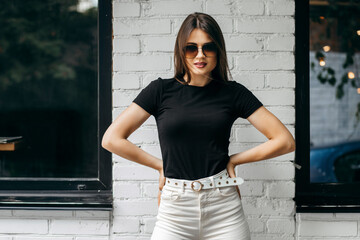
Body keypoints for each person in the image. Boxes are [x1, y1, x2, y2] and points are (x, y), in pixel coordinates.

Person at [102, 12, 296, 240]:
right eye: (191, 48)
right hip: (175, 210)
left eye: (208, 48)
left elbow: (285, 141)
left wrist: (235, 160)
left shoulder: (234, 93)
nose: (200, 55)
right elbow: (111, 139)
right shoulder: (160, 91)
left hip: (224, 207)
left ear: (218, 51)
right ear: (180, 51)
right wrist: (159, 165)